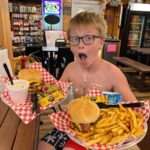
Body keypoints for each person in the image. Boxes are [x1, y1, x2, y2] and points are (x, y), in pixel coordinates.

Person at [38, 11, 137, 150]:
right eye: (75, 39)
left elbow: (133, 107)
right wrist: (45, 88)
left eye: (89, 38)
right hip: (74, 123)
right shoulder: (71, 68)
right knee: (42, 146)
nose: (80, 45)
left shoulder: (113, 73)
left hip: (101, 132)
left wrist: (130, 132)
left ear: (101, 42)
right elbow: (57, 89)